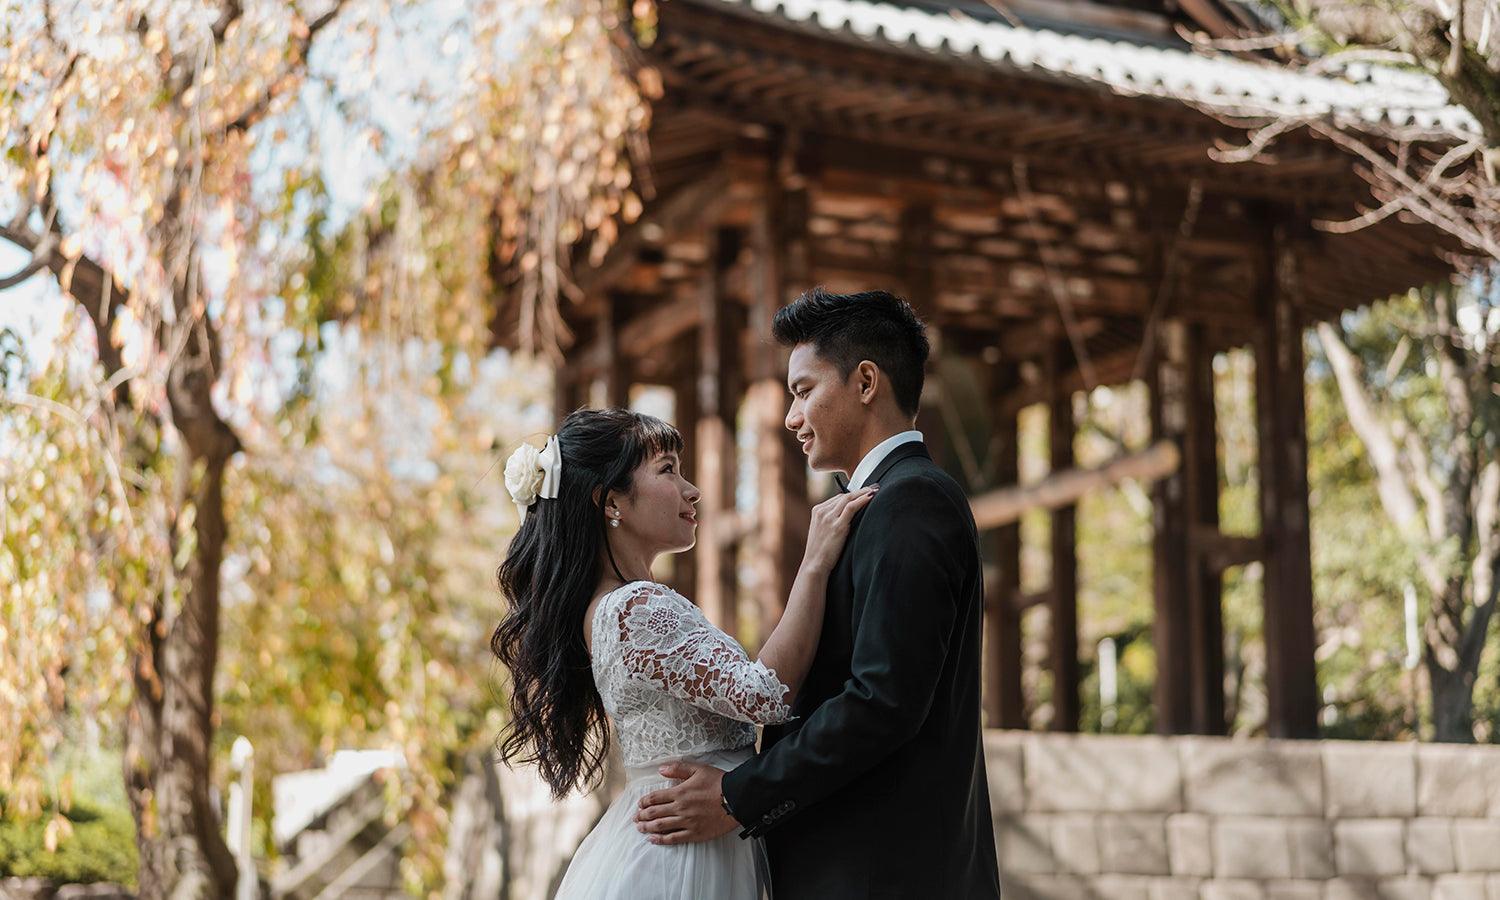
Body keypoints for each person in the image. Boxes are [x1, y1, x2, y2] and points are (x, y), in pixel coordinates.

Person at [633, 288, 1003, 899]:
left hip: (885, 874)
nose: (789, 417)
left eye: (803, 390)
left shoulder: (913, 500)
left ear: (865, 382)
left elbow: (883, 700)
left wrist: (737, 795)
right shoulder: (872, 506)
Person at [492, 405, 876, 900]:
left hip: (679, 840)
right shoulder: (635, 606)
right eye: (667, 470)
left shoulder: (609, 608)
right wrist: (815, 563)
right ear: (612, 502)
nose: (691, 490)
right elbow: (765, 695)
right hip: (681, 860)